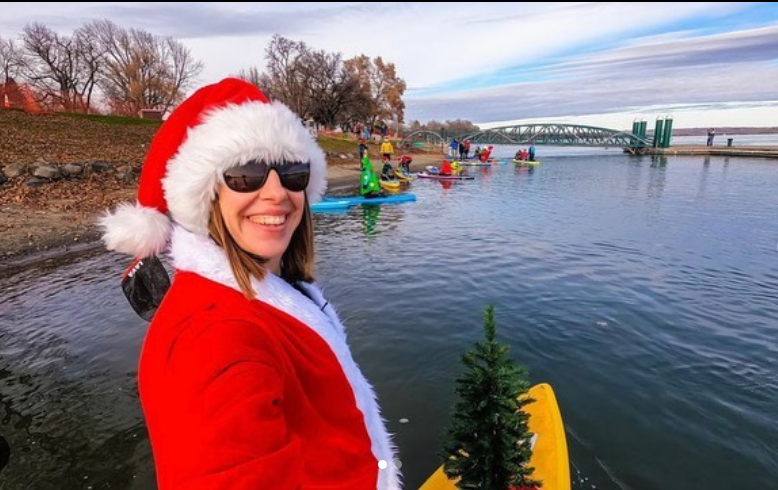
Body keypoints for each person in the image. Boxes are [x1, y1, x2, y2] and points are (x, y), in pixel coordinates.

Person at [99, 78, 400, 489]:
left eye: (293, 172)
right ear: (206, 197)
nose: (277, 193)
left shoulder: (259, 295)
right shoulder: (215, 338)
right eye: (247, 174)